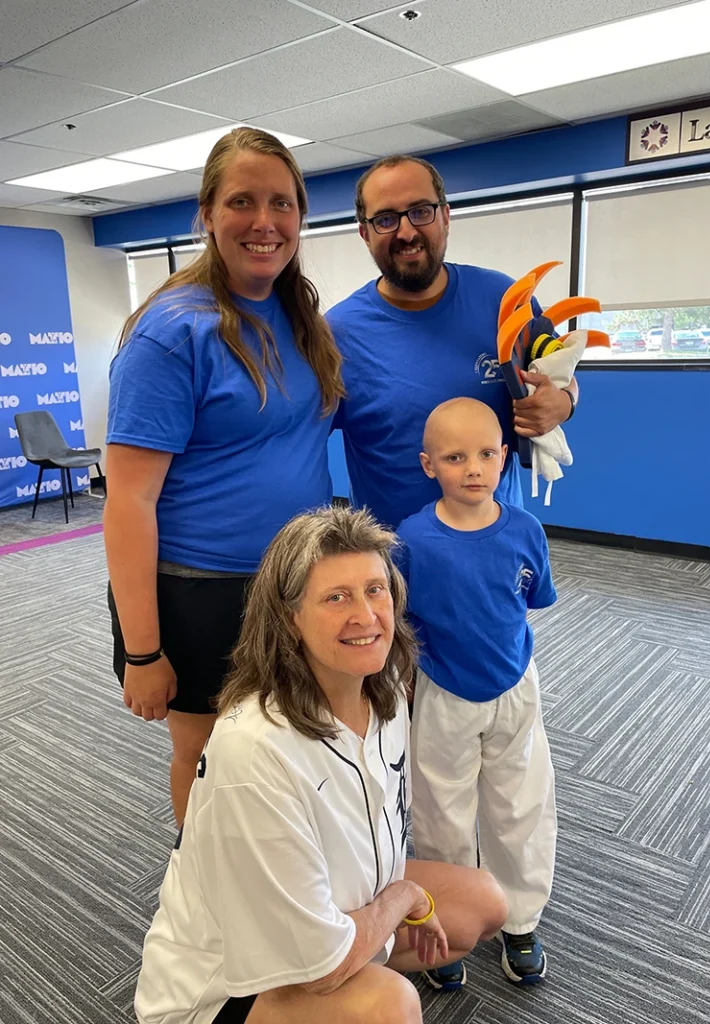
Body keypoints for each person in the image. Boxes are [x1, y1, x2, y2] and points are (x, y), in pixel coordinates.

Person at [134, 506, 508, 1024]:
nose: (366, 616)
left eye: (375, 590)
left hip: (334, 910)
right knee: (390, 1007)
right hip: (223, 987)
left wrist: (386, 910)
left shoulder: (384, 688)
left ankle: (358, 959)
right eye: (336, 597)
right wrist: (401, 899)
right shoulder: (256, 748)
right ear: (290, 618)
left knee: (482, 904)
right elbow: (323, 970)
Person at [104, 128, 343, 825]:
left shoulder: (300, 317)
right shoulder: (172, 333)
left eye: (282, 203)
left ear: (300, 217)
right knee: (211, 759)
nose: (264, 221)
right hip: (200, 592)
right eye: (242, 201)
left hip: (295, 580)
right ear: (207, 213)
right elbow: (128, 500)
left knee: (288, 750)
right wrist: (143, 651)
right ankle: (206, 886)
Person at [396, 397, 558, 991]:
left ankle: (520, 919)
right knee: (442, 812)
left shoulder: (525, 531)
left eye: (487, 454)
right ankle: (447, 919)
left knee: (521, 803)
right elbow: (402, 624)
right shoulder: (412, 540)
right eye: (455, 457)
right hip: (444, 693)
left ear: (504, 457)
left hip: (514, 688)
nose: (473, 469)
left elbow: (529, 602)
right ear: (428, 465)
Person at [327, 153, 578, 530]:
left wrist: (565, 402)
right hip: (390, 556)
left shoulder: (504, 300)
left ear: (445, 216)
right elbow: (293, 438)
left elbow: (560, 378)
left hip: (498, 542)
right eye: (386, 219)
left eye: (420, 211)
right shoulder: (337, 333)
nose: (406, 232)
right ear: (365, 233)